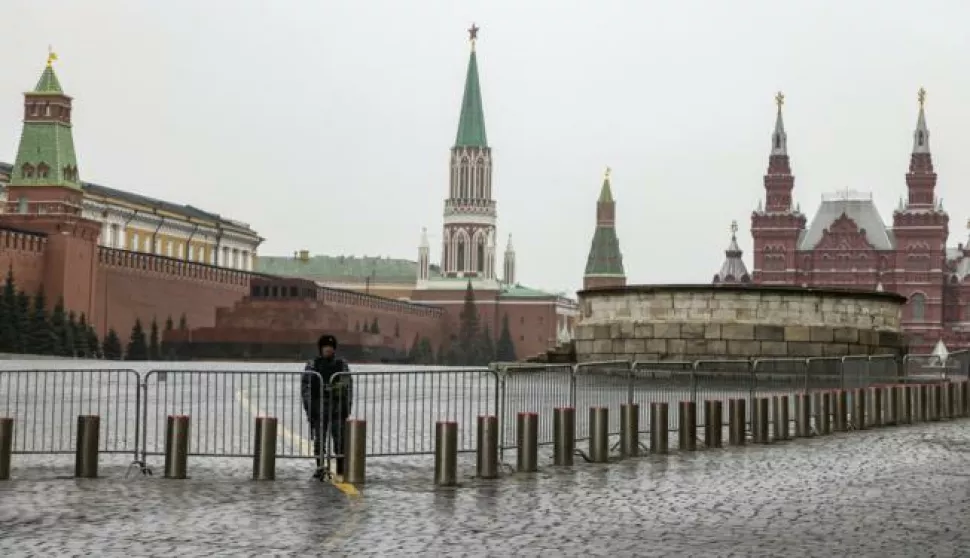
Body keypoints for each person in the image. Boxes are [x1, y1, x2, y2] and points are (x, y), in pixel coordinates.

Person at [301, 334, 353, 480]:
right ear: (321, 349)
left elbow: (348, 387)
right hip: (319, 409)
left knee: (340, 440)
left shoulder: (342, 365)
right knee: (320, 441)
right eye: (325, 347)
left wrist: (346, 408)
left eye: (330, 347)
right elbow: (306, 388)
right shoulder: (312, 365)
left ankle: (342, 467)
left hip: (337, 409)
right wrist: (310, 409)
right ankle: (320, 466)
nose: (328, 349)